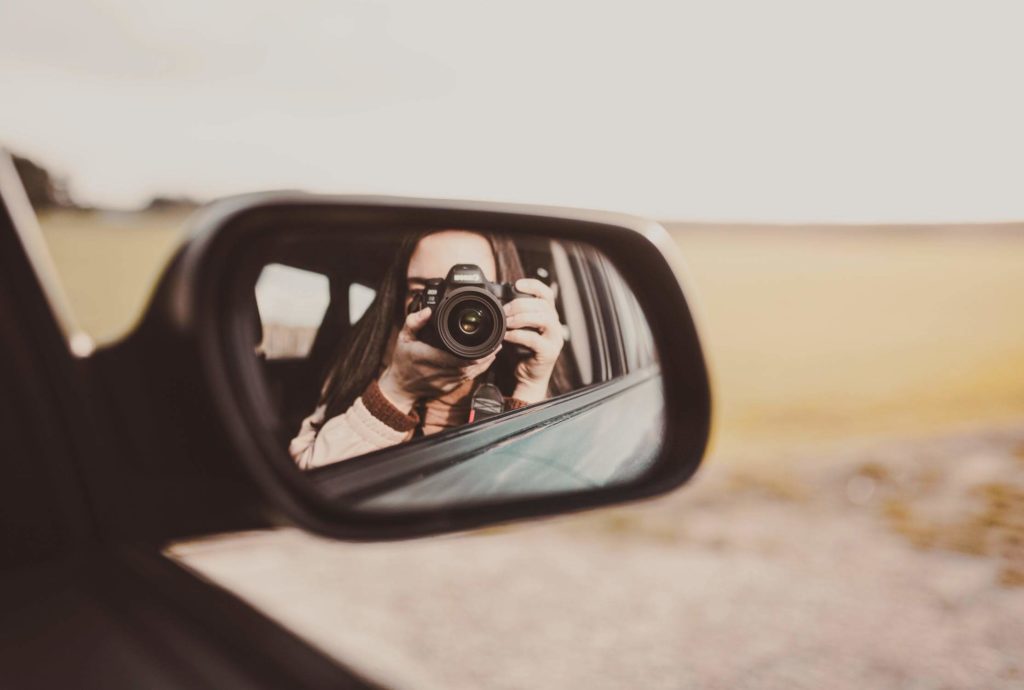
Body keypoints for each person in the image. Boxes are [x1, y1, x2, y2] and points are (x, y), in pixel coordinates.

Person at [289, 229, 568, 469]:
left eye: (475, 293)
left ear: (506, 299)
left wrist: (531, 385)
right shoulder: (359, 365)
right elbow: (311, 475)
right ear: (398, 300)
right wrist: (396, 390)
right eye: (426, 292)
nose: (452, 312)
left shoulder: (523, 367)